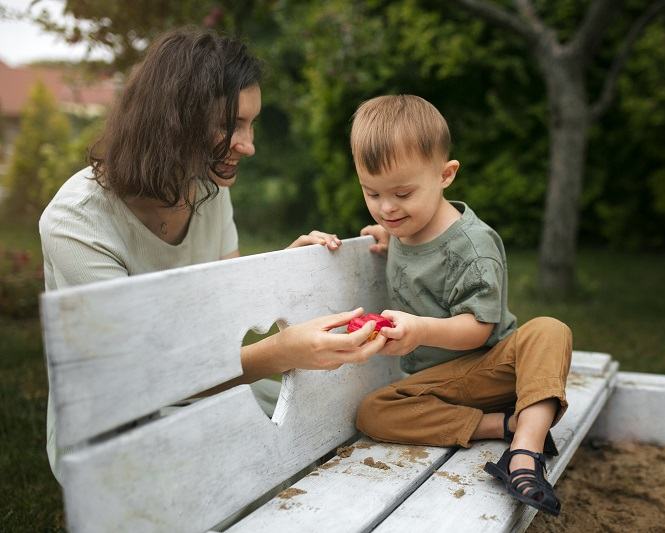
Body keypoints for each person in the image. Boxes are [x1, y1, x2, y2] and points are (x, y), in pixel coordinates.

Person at [39, 27, 388, 481]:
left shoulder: (206, 185)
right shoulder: (76, 224)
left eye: (251, 123)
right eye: (231, 125)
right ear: (172, 121)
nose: (249, 145)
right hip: (120, 419)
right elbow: (145, 377)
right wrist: (280, 353)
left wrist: (281, 274)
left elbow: (222, 318)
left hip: (203, 386)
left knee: (341, 421)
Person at [351, 95, 572, 515]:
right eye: (372, 192)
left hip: (491, 367)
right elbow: (401, 237)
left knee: (550, 329)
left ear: (446, 175)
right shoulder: (401, 227)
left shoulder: (471, 247)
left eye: (402, 192)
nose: (387, 207)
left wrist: (420, 330)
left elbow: (479, 328)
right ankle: (505, 425)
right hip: (440, 385)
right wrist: (385, 236)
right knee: (373, 412)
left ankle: (524, 456)